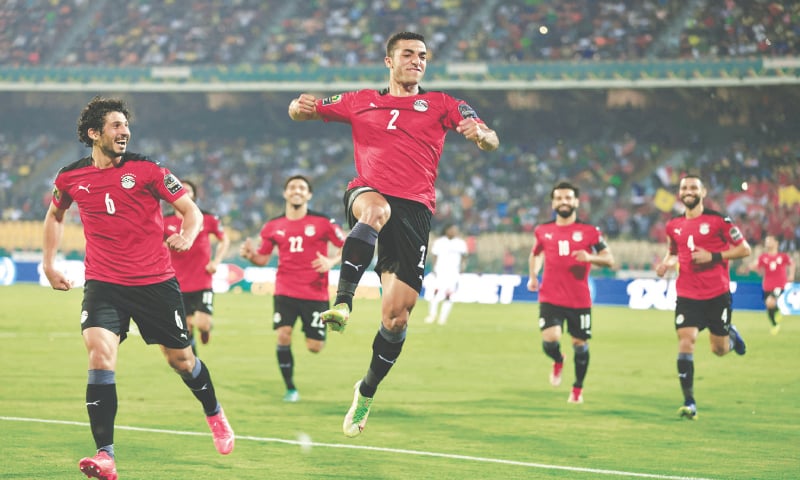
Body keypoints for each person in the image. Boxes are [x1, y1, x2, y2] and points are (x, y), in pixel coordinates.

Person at [288, 31, 499, 437]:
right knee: (374, 208)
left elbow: (487, 135)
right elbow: (304, 111)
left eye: (422, 55)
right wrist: (298, 107)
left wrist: (483, 137)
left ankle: (366, 391)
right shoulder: (360, 100)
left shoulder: (442, 104)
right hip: (369, 192)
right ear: (389, 61)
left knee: (396, 319)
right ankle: (343, 303)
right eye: (408, 54)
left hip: (415, 211)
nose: (417, 61)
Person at [42, 96, 234, 480]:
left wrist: (187, 232)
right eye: (115, 125)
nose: (124, 131)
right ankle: (105, 455)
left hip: (155, 283)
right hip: (103, 283)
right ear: (94, 133)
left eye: (125, 125)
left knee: (181, 361)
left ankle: (213, 411)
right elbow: (55, 214)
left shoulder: (148, 169)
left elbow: (191, 210)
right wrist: (48, 263)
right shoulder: (70, 177)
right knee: (99, 354)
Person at [240, 175, 345, 402]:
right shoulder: (272, 226)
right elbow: (262, 258)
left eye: (302, 188)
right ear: (285, 193)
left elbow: (347, 246)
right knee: (283, 334)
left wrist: (331, 262)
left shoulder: (323, 222)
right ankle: (290, 388)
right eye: (292, 187)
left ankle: (311, 337)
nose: (296, 190)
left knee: (315, 347)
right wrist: (251, 256)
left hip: (315, 293)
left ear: (309, 195)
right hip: (284, 290)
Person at [655, 174, 751, 420]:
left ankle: (731, 335)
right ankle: (689, 402)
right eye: (684, 187)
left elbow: (744, 249)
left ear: (703, 192)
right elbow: (673, 252)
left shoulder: (719, 221)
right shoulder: (673, 225)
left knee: (718, 350)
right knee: (686, 342)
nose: (688, 191)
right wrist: (665, 264)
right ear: (679, 192)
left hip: (717, 294)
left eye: (693, 187)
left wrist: (714, 256)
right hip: (687, 295)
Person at [526, 181, 614, 404]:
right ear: (553, 202)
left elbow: (609, 260)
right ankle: (558, 359)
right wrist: (534, 275)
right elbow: (536, 254)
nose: (563, 202)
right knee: (550, 339)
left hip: (579, 299)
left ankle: (577, 389)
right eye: (559, 198)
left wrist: (590, 257)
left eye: (568, 198)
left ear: (576, 202)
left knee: (580, 345)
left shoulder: (590, 232)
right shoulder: (543, 230)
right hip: (550, 296)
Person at [163, 179, 231, 352]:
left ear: (193, 196)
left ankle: (205, 330)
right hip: (176, 283)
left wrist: (216, 262)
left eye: (188, 190)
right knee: (186, 328)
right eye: (180, 189)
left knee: (202, 323)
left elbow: (224, 240)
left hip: (202, 281)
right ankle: (195, 361)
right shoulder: (164, 221)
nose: (183, 192)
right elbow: (155, 244)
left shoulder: (207, 218)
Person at [749, 234, 795, 335]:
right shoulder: (763, 257)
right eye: (766, 241)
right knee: (769, 305)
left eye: (769, 240)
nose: (767, 242)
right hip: (767, 285)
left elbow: (792, 263)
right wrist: (755, 268)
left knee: (770, 302)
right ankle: (775, 320)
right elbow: (756, 267)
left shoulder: (782, 256)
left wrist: (791, 275)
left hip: (780, 284)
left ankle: (775, 323)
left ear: (776, 243)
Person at [423, 224, 468, 325]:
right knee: (435, 293)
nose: (454, 231)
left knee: (449, 295)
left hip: (453, 273)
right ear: (447, 230)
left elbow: (464, 255)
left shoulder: (460, 243)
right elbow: (435, 255)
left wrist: (463, 266)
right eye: (452, 229)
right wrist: (434, 268)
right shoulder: (440, 242)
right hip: (440, 271)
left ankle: (443, 318)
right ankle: (432, 315)